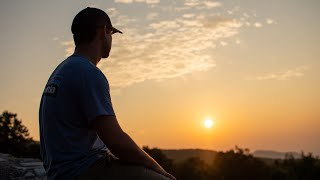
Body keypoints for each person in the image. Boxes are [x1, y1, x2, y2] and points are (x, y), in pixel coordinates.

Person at [39, 7, 176, 180]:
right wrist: (156, 167)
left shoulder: (62, 70)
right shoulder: (88, 73)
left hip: (60, 170)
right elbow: (116, 140)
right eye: (111, 33)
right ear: (104, 31)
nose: (111, 39)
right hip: (81, 170)